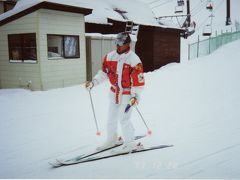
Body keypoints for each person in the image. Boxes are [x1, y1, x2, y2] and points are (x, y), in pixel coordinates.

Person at [85, 32, 145, 153]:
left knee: (124, 119)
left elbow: (138, 81)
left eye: (120, 44)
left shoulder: (134, 60)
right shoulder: (109, 57)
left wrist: (135, 96)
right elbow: (103, 73)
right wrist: (93, 83)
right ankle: (112, 139)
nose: (117, 46)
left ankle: (130, 143)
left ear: (127, 44)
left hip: (128, 95)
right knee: (111, 119)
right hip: (114, 94)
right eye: (116, 43)